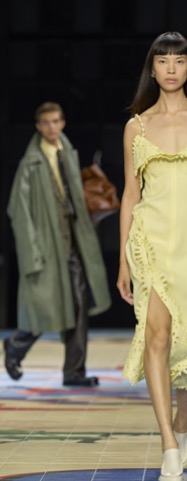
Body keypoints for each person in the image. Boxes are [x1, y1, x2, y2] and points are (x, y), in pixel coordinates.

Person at [117, 32, 187, 481]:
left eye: (178, 61)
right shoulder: (137, 127)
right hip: (150, 240)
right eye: (162, 61)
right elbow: (130, 194)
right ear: (152, 68)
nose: (170, 68)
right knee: (157, 335)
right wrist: (123, 259)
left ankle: (183, 419)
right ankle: (168, 443)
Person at [4, 102, 112, 386]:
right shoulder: (31, 163)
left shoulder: (67, 152)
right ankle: (16, 345)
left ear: (62, 122)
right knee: (47, 307)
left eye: (56, 121)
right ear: (38, 126)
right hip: (46, 246)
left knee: (78, 306)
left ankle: (74, 372)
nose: (51, 127)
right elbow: (18, 209)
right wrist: (32, 252)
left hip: (72, 241)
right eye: (46, 122)